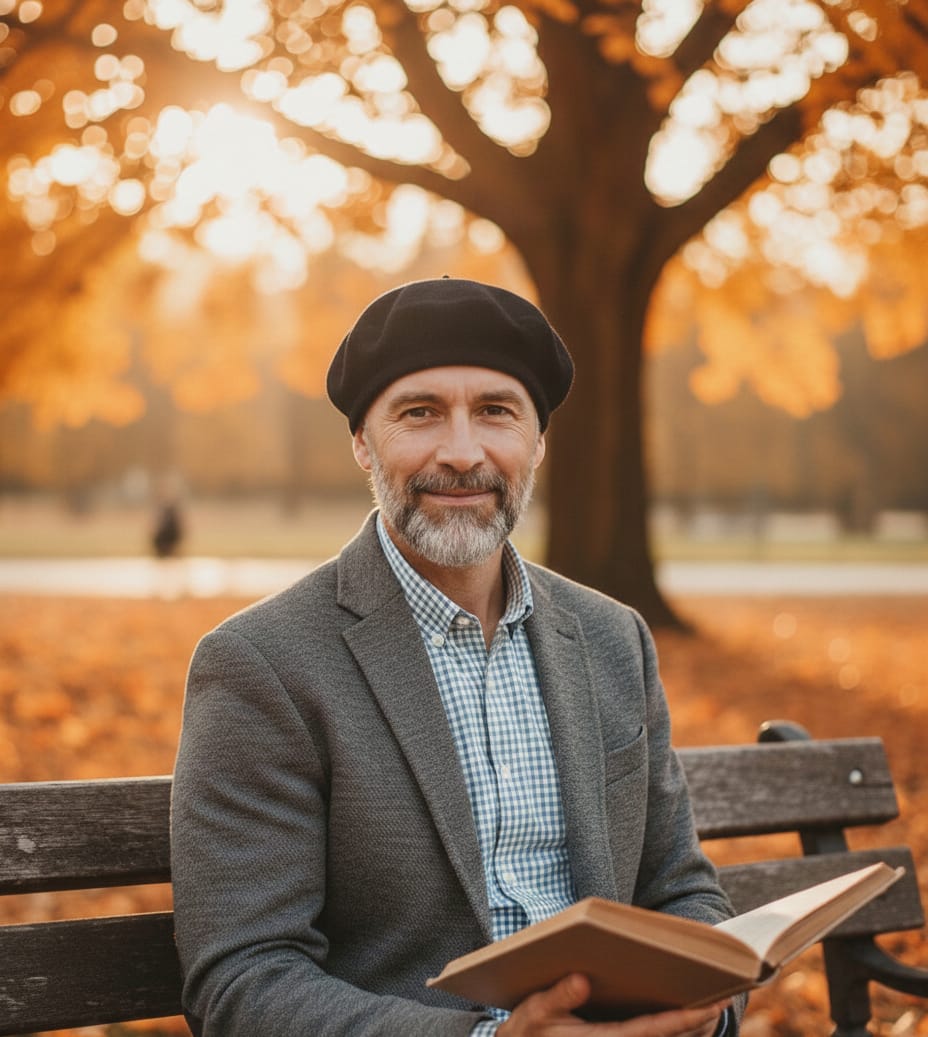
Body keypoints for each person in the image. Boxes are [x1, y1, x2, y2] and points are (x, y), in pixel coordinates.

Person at [171, 277, 743, 1037]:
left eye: (497, 411)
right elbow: (242, 977)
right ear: (361, 442)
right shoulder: (261, 665)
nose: (464, 451)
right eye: (420, 412)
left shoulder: (613, 638)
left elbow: (681, 890)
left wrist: (707, 1008)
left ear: (538, 440)